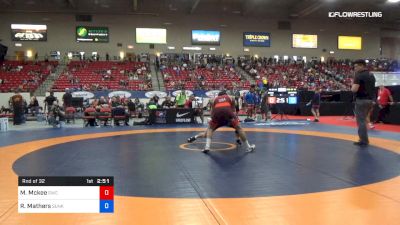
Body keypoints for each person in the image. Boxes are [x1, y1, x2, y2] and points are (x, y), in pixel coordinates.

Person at [187, 90, 255, 153]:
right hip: (228, 116)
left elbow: (213, 110)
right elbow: (234, 102)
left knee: (209, 130)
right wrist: (233, 111)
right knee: (238, 128)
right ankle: (248, 146)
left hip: (218, 116)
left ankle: (206, 146)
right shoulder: (230, 97)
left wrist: (212, 118)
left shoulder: (213, 99)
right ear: (225, 95)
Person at [351, 59, 376, 146]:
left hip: (361, 100)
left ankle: (363, 140)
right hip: (371, 100)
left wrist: (352, 84)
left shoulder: (359, 75)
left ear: (362, 66)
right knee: (365, 119)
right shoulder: (371, 75)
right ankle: (364, 139)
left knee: (361, 121)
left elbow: (354, 89)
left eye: (356, 66)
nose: (354, 68)